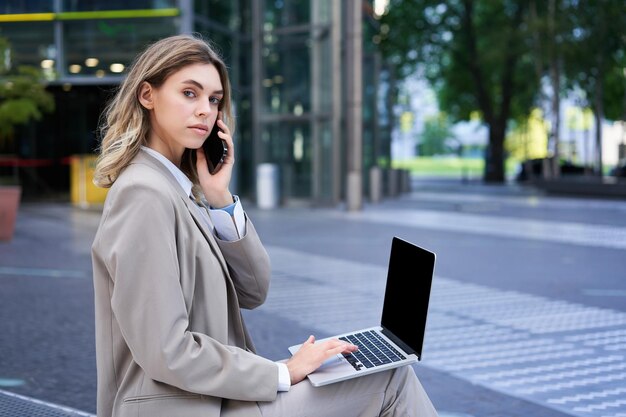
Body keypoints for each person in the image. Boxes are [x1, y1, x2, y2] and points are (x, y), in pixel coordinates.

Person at [91, 33, 439, 417]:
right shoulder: (144, 193)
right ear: (147, 96)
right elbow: (165, 349)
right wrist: (283, 371)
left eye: (214, 99)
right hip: (185, 409)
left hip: (216, 399)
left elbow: (254, 290)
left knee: (383, 372)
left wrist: (220, 200)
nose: (206, 110)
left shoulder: (181, 190)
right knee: (390, 380)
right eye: (189, 93)